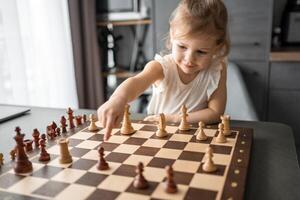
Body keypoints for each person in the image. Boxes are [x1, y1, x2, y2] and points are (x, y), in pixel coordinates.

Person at [98, 0, 230, 140]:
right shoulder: (162, 67)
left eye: (201, 52)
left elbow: (215, 112)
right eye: (182, 47)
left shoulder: (217, 70)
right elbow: (136, 83)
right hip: (160, 137)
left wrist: (174, 118)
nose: (189, 59)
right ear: (172, 35)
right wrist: (118, 99)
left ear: (217, 47)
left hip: (198, 137)